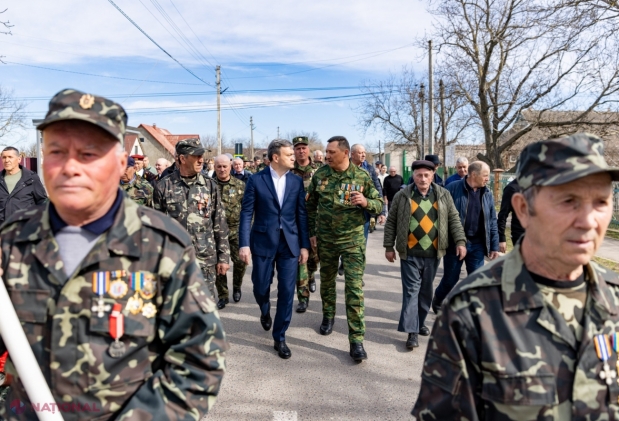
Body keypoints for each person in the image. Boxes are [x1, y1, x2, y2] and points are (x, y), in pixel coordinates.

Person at [0, 89, 228, 420]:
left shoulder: (161, 245)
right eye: (57, 151)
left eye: (89, 153)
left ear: (120, 163)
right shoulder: (13, 240)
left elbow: (199, 359)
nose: (71, 166)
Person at [412, 133, 619, 420]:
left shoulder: (614, 298)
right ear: (523, 209)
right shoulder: (471, 312)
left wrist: (493, 241)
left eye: (601, 202)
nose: (588, 221)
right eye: (568, 201)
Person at [306, 136, 383, 362]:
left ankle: (356, 339)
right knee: (327, 281)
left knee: (354, 288)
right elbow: (310, 206)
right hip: (326, 239)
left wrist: (366, 203)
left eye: (331, 152)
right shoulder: (320, 175)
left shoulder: (362, 176)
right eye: (326, 152)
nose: (327, 155)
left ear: (345, 153)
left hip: (353, 241)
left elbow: (379, 205)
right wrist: (312, 232)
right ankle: (328, 316)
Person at [239, 139, 310, 359]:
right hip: (263, 240)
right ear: (275, 157)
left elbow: (301, 214)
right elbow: (246, 213)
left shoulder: (296, 181)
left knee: (287, 291)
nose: (293, 157)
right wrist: (244, 244)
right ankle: (264, 309)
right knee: (260, 286)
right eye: (289, 154)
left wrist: (304, 245)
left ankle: (280, 337)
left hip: (289, 242)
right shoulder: (256, 180)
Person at [384, 160, 466, 349]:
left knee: (426, 291)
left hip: (433, 253)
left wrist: (460, 241)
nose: (422, 179)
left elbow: (454, 219)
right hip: (409, 253)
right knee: (411, 291)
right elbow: (391, 222)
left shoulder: (443, 194)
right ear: (413, 176)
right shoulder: (402, 195)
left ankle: (420, 323)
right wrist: (389, 246)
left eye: (426, 175)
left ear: (432, 176)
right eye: (419, 175)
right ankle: (412, 332)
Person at [154, 138, 230, 298]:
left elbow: (220, 223)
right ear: (182, 158)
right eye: (197, 156)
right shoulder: (164, 186)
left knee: (204, 306)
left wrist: (223, 257)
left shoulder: (210, 186)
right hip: (174, 261)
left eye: (202, 155)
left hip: (205, 260)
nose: (201, 160)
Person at [431, 161, 500, 313]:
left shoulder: (487, 193)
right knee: (450, 279)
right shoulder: (452, 189)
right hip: (454, 244)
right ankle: (438, 299)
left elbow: (492, 221)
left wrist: (494, 245)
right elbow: (440, 216)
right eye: (485, 175)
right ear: (474, 175)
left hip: (477, 244)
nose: (487, 179)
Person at [212, 155, 247, 309]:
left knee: (240, 262)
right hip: (216, 232)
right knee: (218, 264)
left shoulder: (240, 186)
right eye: (218, 166)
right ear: (214, 168)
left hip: (236, 230)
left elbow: (247, 210)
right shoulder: (209, 186)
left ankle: (237, 286)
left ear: (230, 167)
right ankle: (223, 294)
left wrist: (247, 230)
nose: (222, 169)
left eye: (225, 166)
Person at [291, 136, 320, 313]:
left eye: (303, 148)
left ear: (308, 150)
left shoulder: (319, 170)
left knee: (314, 258)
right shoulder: (289, 171)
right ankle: (303, 298)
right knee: (300, 259)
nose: (301, 151)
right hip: (295, 221)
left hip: (315, 220)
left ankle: (311, 276)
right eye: (298, 148)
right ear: (294, 151)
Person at [0, 147, 47, 225]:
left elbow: (42, 202)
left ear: (19, 159)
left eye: (10, 157)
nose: (7, 160)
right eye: (4, 157)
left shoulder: (31, 178)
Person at [350, 144, 385, 238]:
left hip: (364, 212)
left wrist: (381, 212)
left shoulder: (369, 169)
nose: (364, 155)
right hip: (346, 213)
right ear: (352, 154)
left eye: (364, 152)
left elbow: (377, 189)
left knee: (361, 242)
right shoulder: (344, 167)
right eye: (360, 153)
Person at [498, 177, 525, 252]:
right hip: (520, 235)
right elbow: (503, 215)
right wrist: (501, 238)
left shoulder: (533, 185)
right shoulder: (511, 188)